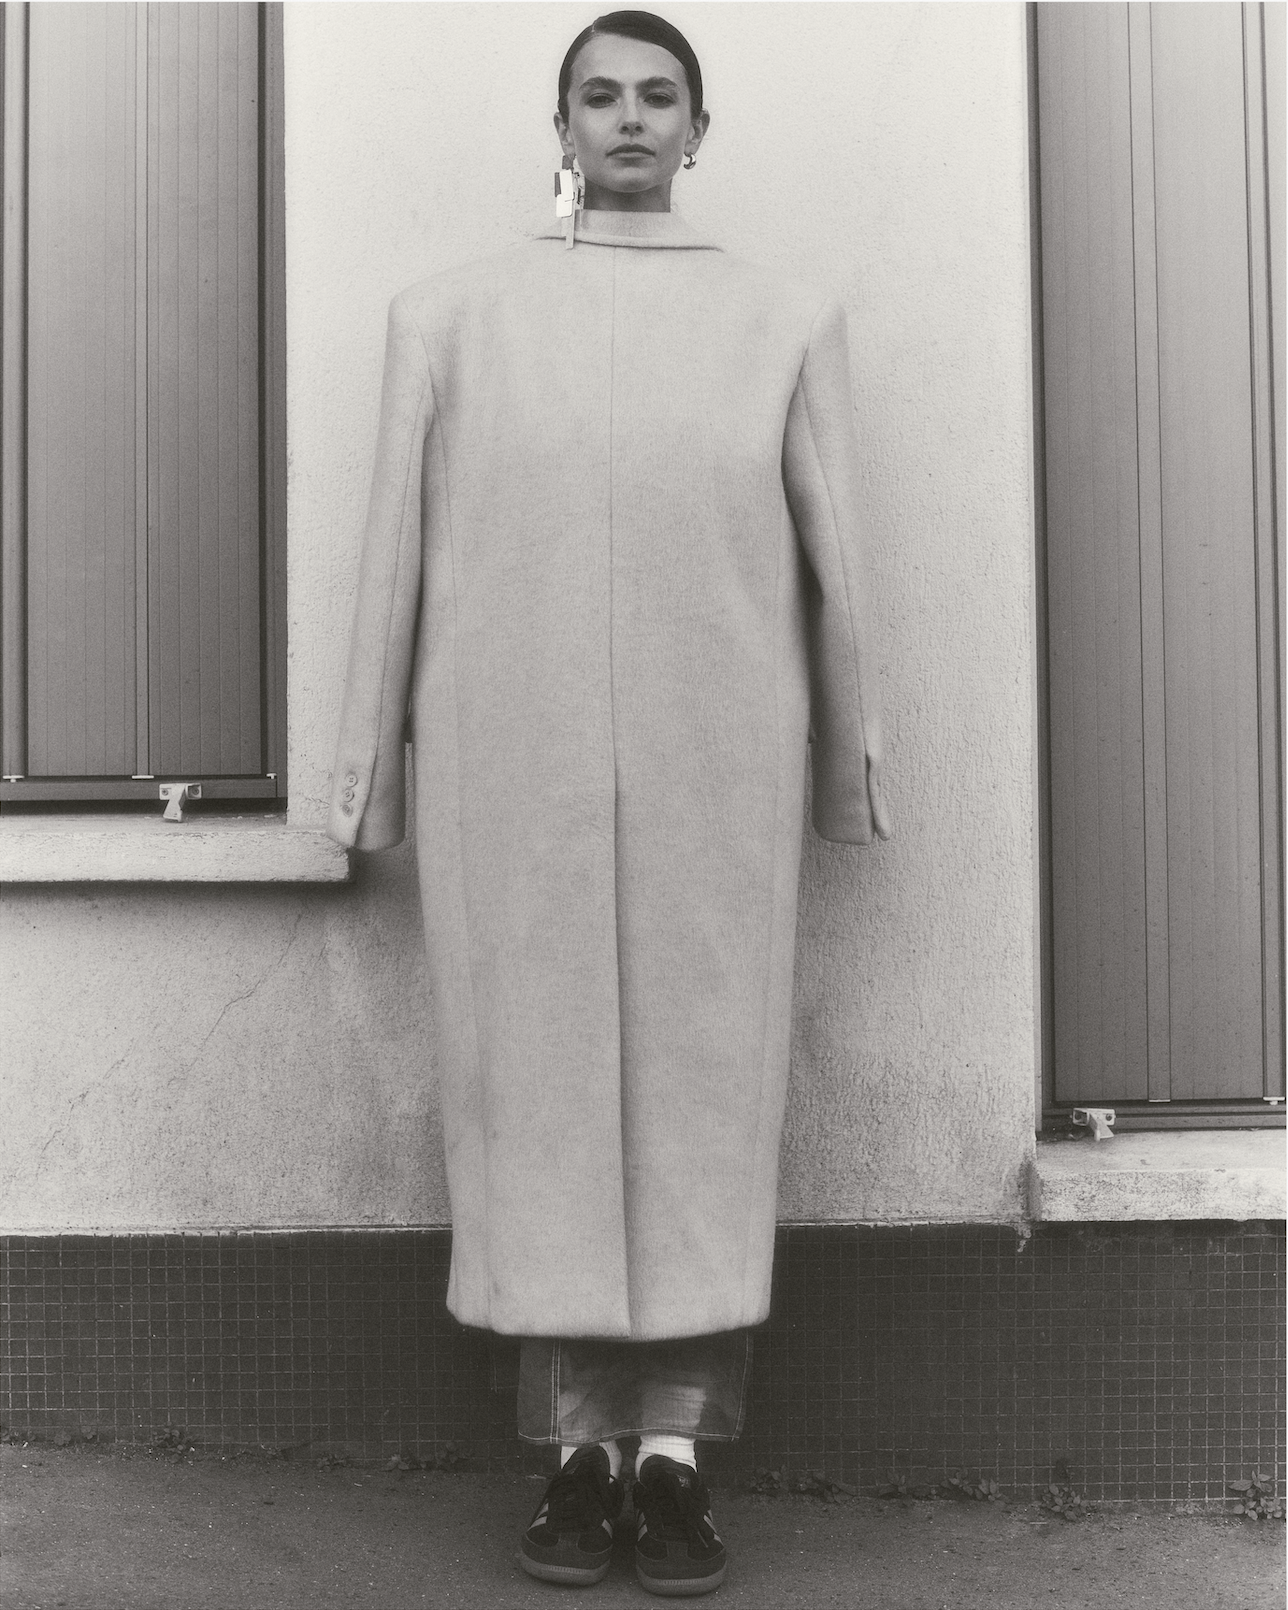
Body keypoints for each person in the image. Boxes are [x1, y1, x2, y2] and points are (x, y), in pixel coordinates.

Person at [328, 9, 891, 1596]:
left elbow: (837, 564)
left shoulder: (783, 319)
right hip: (517, 779)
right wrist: (366, 776)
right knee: (550, 1101)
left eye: (659, 97)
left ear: (700, 130)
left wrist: (849, 770)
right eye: (600, 95)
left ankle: (677, 1460)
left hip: (723, 778)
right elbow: (391, 566)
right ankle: (574, 1452)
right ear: (559, 126)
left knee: (704, 1108)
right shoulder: (449, 320)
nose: (629, 119)